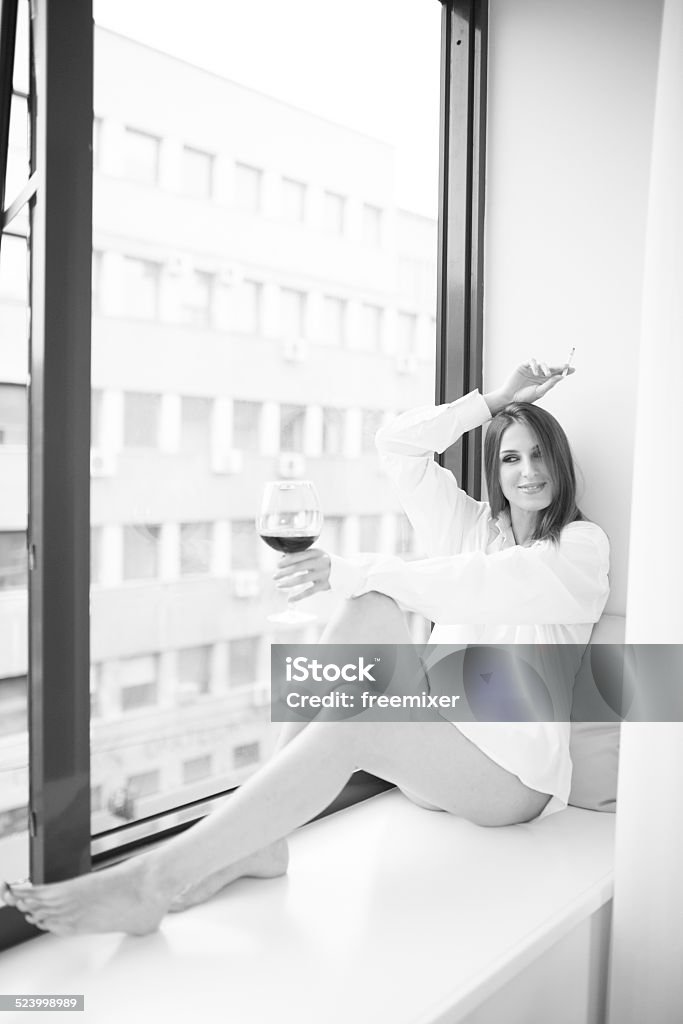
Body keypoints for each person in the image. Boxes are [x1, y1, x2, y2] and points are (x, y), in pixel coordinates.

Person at [1, 358, 609, 936]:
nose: (527, 471)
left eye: (538, 456)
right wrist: (493, 402)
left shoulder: (581, 549)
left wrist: (354, 568)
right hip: (438, 751)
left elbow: (479, 587)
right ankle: (261, 838)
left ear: (559, 465)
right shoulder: (475, 529)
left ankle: (153, 882)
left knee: (362, 695)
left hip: (510, 780)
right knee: (367, 608)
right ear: (495, 471)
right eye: (510, 457)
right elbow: (397, 444)